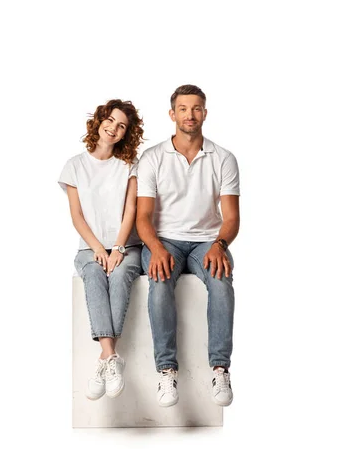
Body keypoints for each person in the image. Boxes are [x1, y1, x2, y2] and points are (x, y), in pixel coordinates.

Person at [136, 84, 240, 408]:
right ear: (172, 114)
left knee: (221, 281)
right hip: (163, 238)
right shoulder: (152, 158)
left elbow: (232, 217)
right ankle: (167, 371)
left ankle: (220, 369)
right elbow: (143, 217)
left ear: (204, 113)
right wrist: (156, 247)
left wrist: (220, 244)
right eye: (183, 108)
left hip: (207, 240)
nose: (190, 115)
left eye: (196, 108)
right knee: (160, 281)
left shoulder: (223, 158)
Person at [58, 99, 144, 401]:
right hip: (89, 248)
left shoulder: (130, 166)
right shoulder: (74, 166)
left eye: (121, 125)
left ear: (126, 133)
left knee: (119, 277)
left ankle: (104, 361)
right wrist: (98, 249)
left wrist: (118, 247)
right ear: (99, 121)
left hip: (127, 246)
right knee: (94, 275)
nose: (113, 128)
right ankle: (111, 358)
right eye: (110, 120)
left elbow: (131, 209)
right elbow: (77, 216)